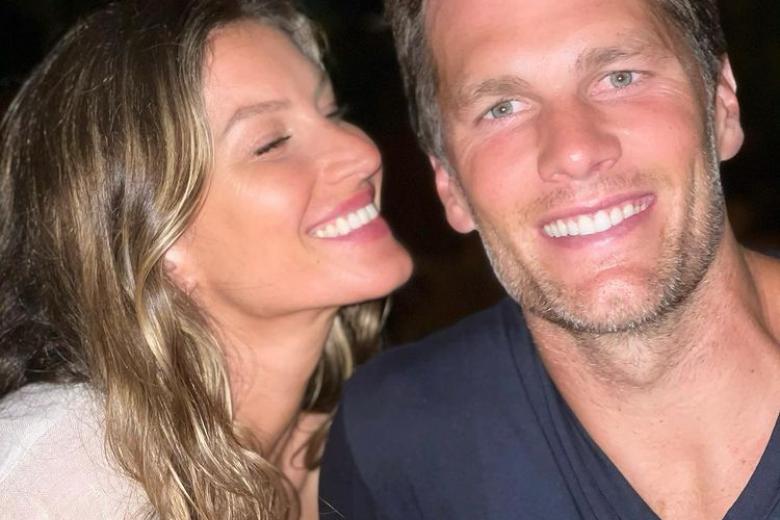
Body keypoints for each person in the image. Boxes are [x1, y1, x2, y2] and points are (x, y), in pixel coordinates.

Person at [319, 0, 780, 518]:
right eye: (502, 108)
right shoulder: (397, 446)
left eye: (620, 76)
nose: (574, 152)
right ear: (449, 184)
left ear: (721, 105)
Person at [0, 0, 412, 518]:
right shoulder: (67, 466)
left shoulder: (356, 449)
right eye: (272, 143)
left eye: (332, 113)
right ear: (156, 241)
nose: (363, 153)